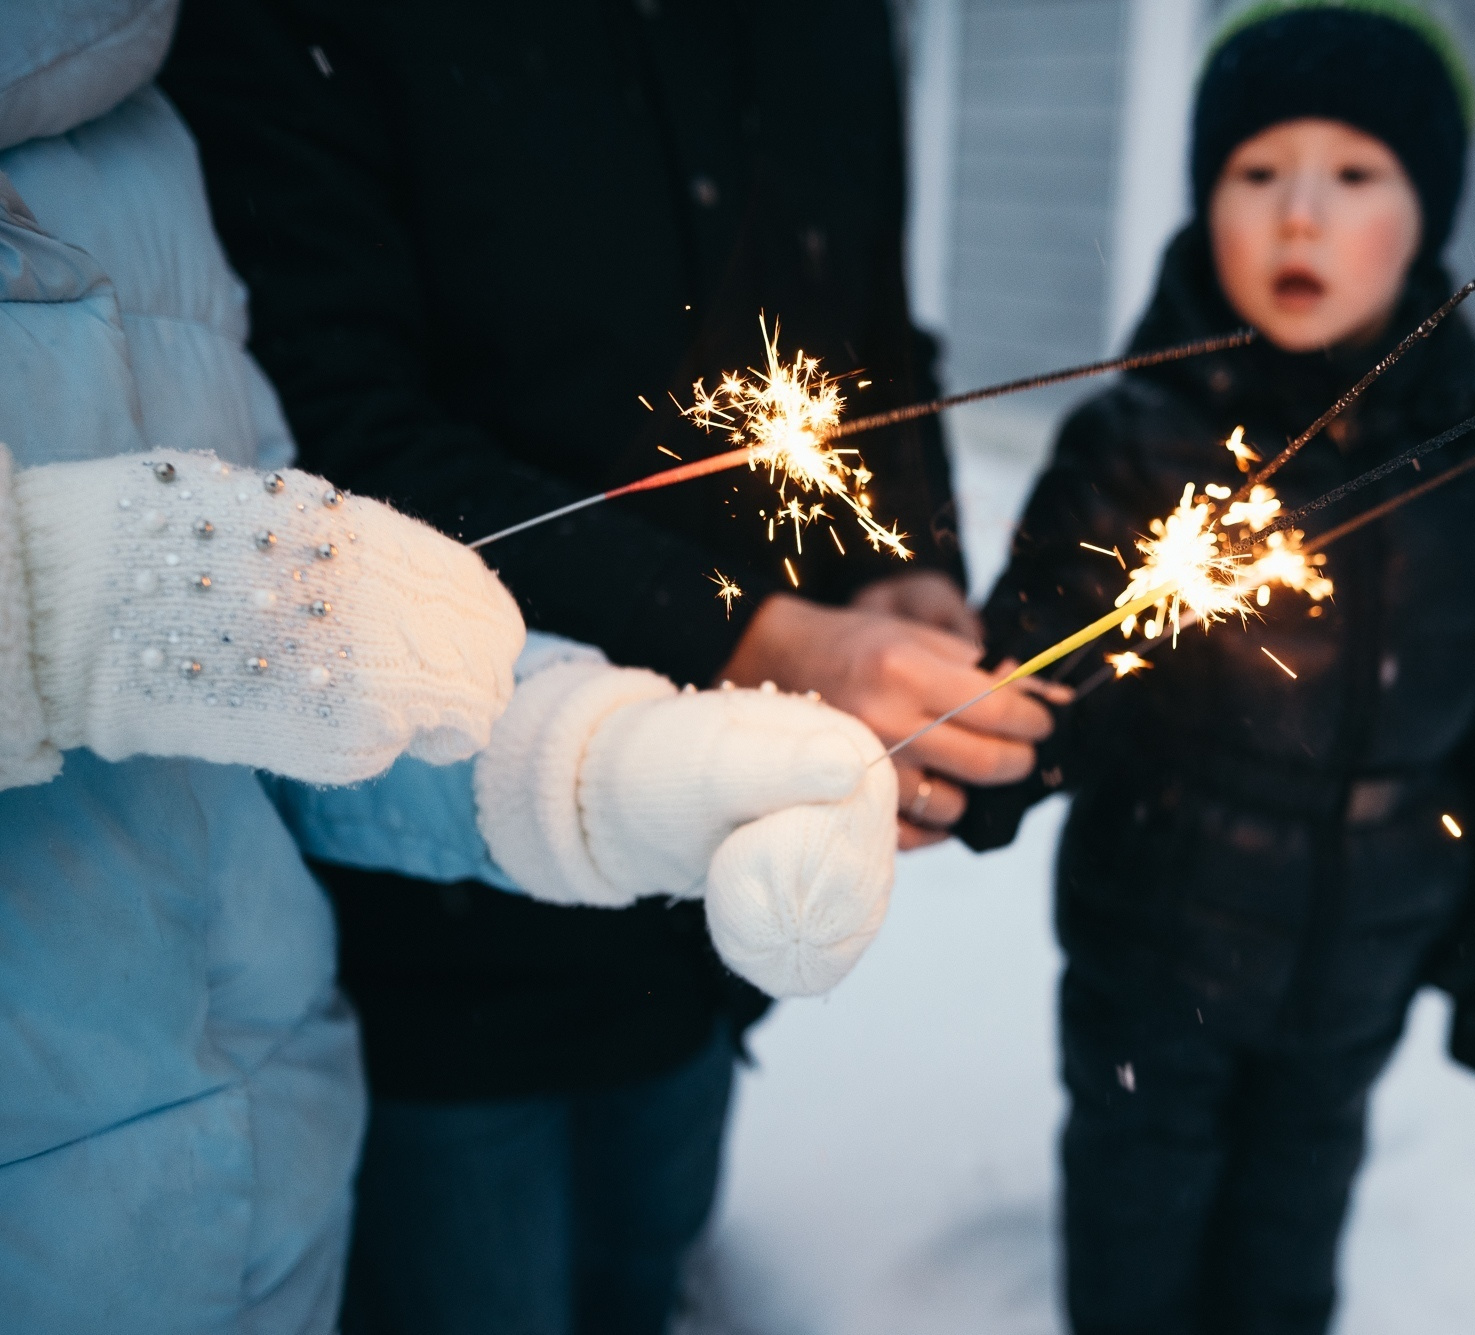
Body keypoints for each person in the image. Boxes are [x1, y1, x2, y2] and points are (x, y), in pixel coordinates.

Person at [159, 2, 1056, 1330]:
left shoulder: (833, 27)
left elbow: (863, 326)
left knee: (645, 1278)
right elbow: (338, 432)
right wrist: (747, 631)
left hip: (707, 927)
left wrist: (900, 556)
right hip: (443, 923)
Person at [0, 4, 898, 1330]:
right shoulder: (290, 49)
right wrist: (58, 601)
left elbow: (288, 665)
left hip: (272, 1171)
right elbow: (293, 511)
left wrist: (588, 763)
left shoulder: (148, 137)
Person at [959, 4, 1475, 1331]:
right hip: (1155, 949)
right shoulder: (1131, 443)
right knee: (1137, 1234)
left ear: (1428, 214)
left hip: (1365, 956)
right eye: (1257, 173)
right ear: (1205, 204)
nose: (1299, 215)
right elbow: (1041, 660)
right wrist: (998, 744)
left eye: (1356, 173)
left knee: (1288, 1244)